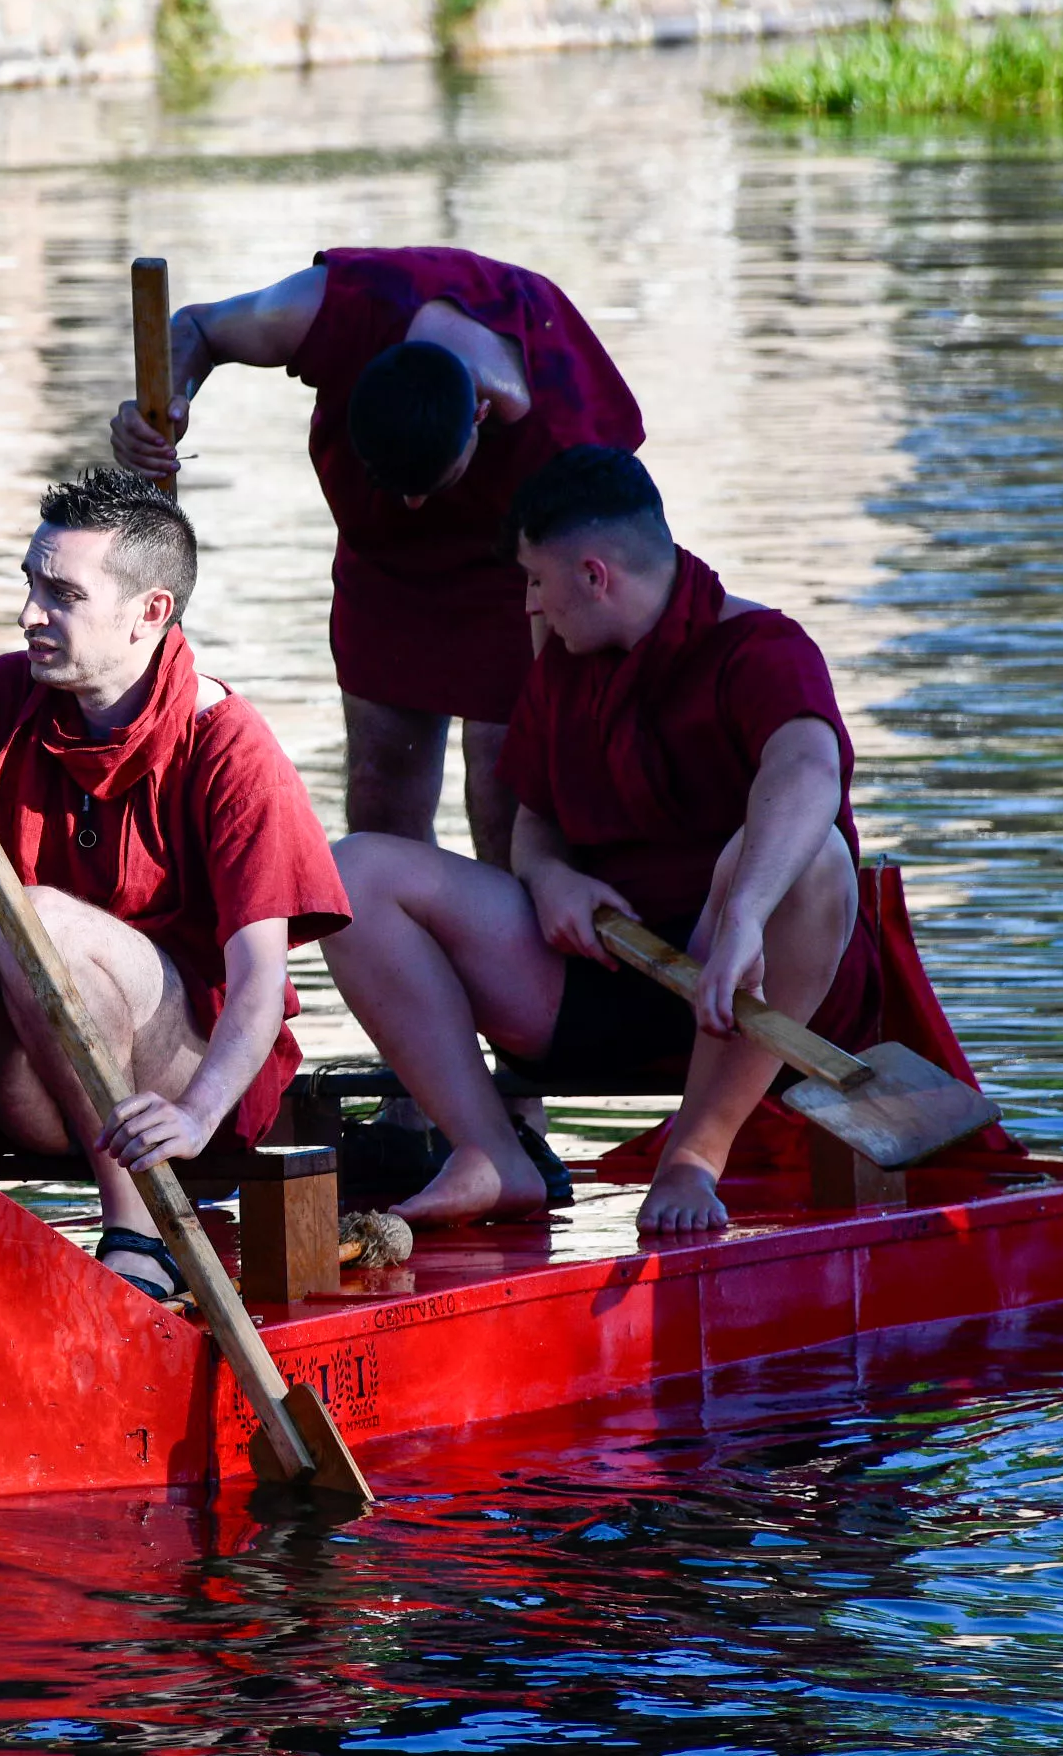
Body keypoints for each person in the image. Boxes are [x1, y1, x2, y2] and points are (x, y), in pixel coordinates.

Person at [322, 447, 878, 1235]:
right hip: (603, 974)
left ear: (594, 576)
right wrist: (550, 879)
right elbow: (536, 817)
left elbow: (809, 772)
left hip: (748, 986)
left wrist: (745, 916)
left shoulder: (762, 647)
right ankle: (490, 1151)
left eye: (535, 581)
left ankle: (695, 1153)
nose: (527, 606)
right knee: (353, 874)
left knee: (809, 857)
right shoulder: (566, 657)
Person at [0, 470, 350, 1300]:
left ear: (150, 613)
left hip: (182, 1091)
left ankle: (138, 1230)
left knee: (46, 921)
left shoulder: (232, 745)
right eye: (31, 584)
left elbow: (262, 987)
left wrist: (198, 1115)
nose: (29, 614)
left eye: (62, 595)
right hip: (42, 1063)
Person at [108, 246, 643, 866]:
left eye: (431, 485)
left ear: (481, 413)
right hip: (382, 558)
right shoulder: (329, 309)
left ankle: (508, 954)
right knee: (379, 791)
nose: (415, 503)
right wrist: (164, 407)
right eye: (396, 483)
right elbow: (198, 328)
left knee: (509, 798)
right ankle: (407, 952)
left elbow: (618, 580)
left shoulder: (563, 433)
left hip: (518, 571)